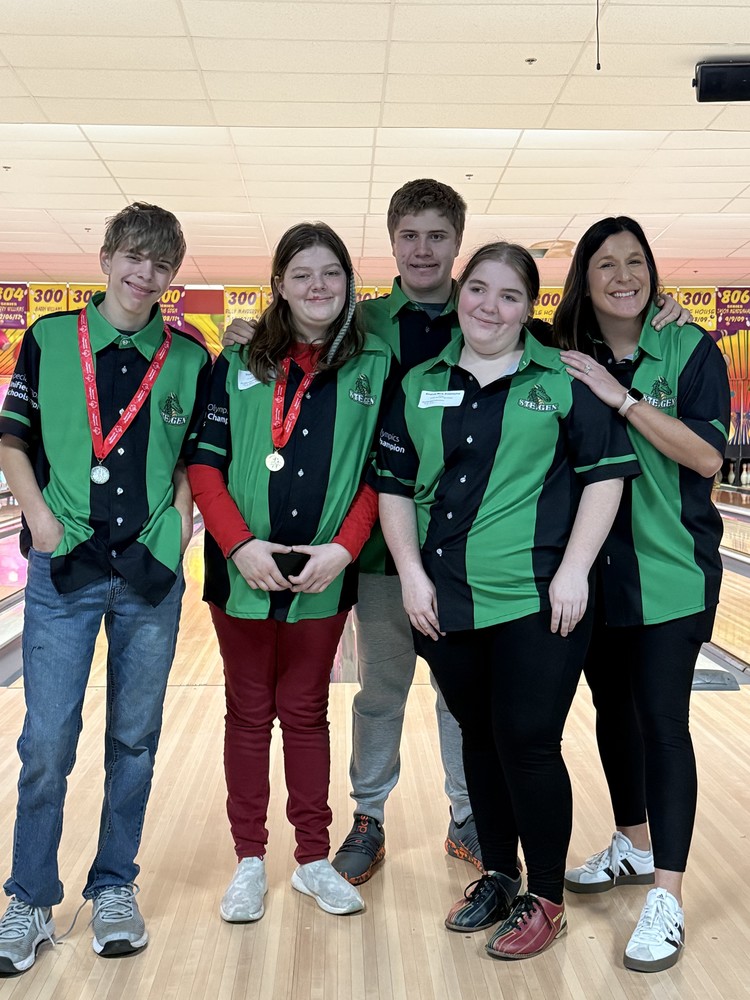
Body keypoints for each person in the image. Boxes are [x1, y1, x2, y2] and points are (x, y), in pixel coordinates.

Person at [223, 181, 690, 886]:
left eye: (437, 236)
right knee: (382, 688)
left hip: (480, 563)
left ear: (458, 246)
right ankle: (369, 816)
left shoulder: (510, 323)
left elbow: (599, 335)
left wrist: (661, 307)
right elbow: (295, 336)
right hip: (383, 548)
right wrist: (247, 332)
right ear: (391, 242)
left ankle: (469, 815)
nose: (422, 250)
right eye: (409, 235)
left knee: (463, 703)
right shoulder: (360, 320)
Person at [369, 241, 640, 960]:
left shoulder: (563, 378)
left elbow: (606, 475)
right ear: (460, 294)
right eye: (479, 290)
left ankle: (545, 897)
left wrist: (575, 571)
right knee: (479, 737)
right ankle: (497, 873)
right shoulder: (419, 381)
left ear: (529, 309)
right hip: (444, 598)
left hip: (538, 597)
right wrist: (411, 576)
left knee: (527, 739)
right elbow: (393, 487)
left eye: (510, 295)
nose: (490, 307)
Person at [0, 203, 211, 975]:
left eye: (160, 265)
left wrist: (177, 529)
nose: (144, 275)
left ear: (171, 276)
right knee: (47, 740)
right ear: (107, 258)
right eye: (133, 257)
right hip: (66, 566)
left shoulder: (189, 357)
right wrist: (38, 518)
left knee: (134, 739)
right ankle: (29, 898)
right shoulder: (50, 338)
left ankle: (115, 883)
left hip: (148, 573)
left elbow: (195, 458)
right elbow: (12, 437)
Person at [186, 223, 392, 920]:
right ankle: (249, 859)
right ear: (279, 283)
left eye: (330, 272)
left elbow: (380, 473)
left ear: (348, 284)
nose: (317, 286)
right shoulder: (238, 360)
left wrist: (344, 549)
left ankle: (311, 859)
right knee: (248, 713)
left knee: (305, 712)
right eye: (301, 273)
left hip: (324, 574)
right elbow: (205, 464)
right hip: (241, 570)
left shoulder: (373, 365)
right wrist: (239, 545)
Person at [555, 217, 730, 973]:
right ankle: (632, 841)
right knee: (613, 713)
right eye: (606, 264)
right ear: (584, 279)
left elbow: (708, 455)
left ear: (653, 273)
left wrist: (622, 398)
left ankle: (668, 893)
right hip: (591, 570)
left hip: (671, 568)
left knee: (662, 722)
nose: (623, 276)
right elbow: (481, 318)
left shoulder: (689, 348)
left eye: (635, 262)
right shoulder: (562, 347)